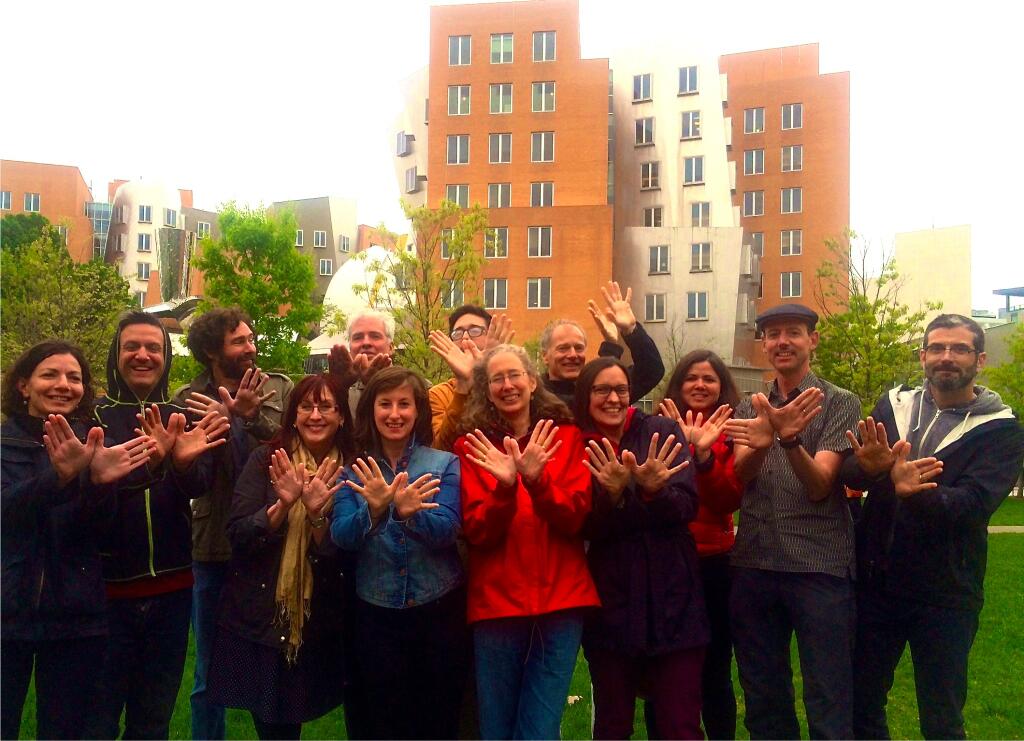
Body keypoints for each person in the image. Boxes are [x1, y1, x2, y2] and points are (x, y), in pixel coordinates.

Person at [840, 313, 1024, 739]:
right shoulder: (894, 407)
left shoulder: (1001, 430)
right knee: (861, 701)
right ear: (922, 356)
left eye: (959, 349)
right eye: (938, 348)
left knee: (941, 719)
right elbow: (852, 470)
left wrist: (915, 492)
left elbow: (975, 505)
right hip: (878, 585)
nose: (947, 357)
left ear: (980, 361)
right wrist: (866, 469)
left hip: (946, 594)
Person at [1, 341, 155, 740]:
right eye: (50, 374)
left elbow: (102, 533)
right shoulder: (3, 445)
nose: (64, 385)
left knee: (66, 731)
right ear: (24, 385)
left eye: (74, 378)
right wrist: (58, 479)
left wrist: (101, 487)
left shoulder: (94, 445)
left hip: (76, 617)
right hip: (6, 612)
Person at [88, 312, 229, 740]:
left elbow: (199, 485)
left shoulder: (180, 416)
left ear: (166, 358)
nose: (143, 355)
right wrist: (143, 469)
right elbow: (86, 507)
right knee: (97, 720)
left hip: (171, 591)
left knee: (152, 721)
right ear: (116, 355)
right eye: (132, 346)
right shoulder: (92, 418)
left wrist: (180, 464)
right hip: (107, 593)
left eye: (154, 348)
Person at [723, 303, 861, 739]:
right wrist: (763, 442)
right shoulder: (751, 403)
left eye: (793, 332)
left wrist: (788, 439)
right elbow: (741, 476)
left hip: (819, 567)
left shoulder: (839, 401)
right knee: (763, 694)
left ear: (812, 341)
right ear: (764, 345)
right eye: (773, 334)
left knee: (828, 692)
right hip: (756, 564)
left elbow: (821, 484)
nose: (782, 341)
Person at [455, 344, 600, 740]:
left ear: (533, 382)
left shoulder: (566, 438)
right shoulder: (472, 448)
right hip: (497, 606)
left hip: (560, 604)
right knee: (497, 728)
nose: (507, 385)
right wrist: (504, 490)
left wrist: (537, 481)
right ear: (486, 391)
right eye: (496, 379)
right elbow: (477, 531)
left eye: (514, 375)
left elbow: (575, 519)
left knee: (539, 729)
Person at [207, 374, 351, 739]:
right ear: (293, 415)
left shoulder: (352, 469)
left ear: (342, 417)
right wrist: (283, 505)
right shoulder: (267, 460)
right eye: (306, 406)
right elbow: (239, 535)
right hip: (261, 618)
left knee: (296, 717)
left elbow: (344, 556)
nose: (315, 415)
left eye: (325, 407)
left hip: (318, 621)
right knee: (273, 727)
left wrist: (317, 514)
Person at [172, 307, 292, 741]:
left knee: (270, 657)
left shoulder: (276, 387)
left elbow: (286, 446)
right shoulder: (189, 398)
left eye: (251, 337)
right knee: (207, 672)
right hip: (212, 546)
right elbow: (187, 468)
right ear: (210, 350)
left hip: (267, 540)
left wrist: (247, 416)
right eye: (239, 341)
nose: (251, 347)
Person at [572, 357, 705, 739]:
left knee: (679, 723)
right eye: (602, 390)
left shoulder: (661, 432)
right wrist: (612, 498)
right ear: (586, 395)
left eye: (621, 390)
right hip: (613, 599)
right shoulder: (576, 444)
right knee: (613, 723)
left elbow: (686, 506)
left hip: (674, 595)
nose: (613, 398)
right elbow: (583, 525)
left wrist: (651, 491)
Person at [332, 366, 467, 739]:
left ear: (418, 410)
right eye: (385, 404)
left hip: (437, 609)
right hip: (376, 613)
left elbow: (448, 530)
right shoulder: (354, 471)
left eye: (404, 404)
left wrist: (409, 517)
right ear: (371, 410)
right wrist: (374, 512)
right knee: (384, 719)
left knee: (437, 718)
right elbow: (342, 535)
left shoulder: (443, 464)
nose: (395, 414)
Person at [656, 350, 743, 740]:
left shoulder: (733, 431)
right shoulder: (657, 427)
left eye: (709, 378)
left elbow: (728, 499)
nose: (700, 385)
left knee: (715, 667)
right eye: (692, 377)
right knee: (664, 664)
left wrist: (704, 455)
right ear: (679, 383)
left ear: (722, 386)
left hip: (714, 564)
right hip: (667, 563)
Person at [540, 281, 664, 406]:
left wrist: (631, 330)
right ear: (545, 356)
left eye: (579, 348)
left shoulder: (605, 390)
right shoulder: (532, 396)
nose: (573, 355)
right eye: (563, 348)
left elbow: (650, 371)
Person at [428, 304, 514, 452]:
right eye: (458, 333)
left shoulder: (511, 387)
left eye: (475, 330)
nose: (465, 337)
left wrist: (492, 368)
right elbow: (440, 449)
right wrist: (463, 384)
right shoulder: (439, 394)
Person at [333, 309, 395, 416]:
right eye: (358, 337)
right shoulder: (335, 391)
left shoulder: (417, 388)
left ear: (391, 347)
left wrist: (375, 385)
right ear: (350, 347)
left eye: (375, 336)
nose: (366, 343)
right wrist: (337, 386)